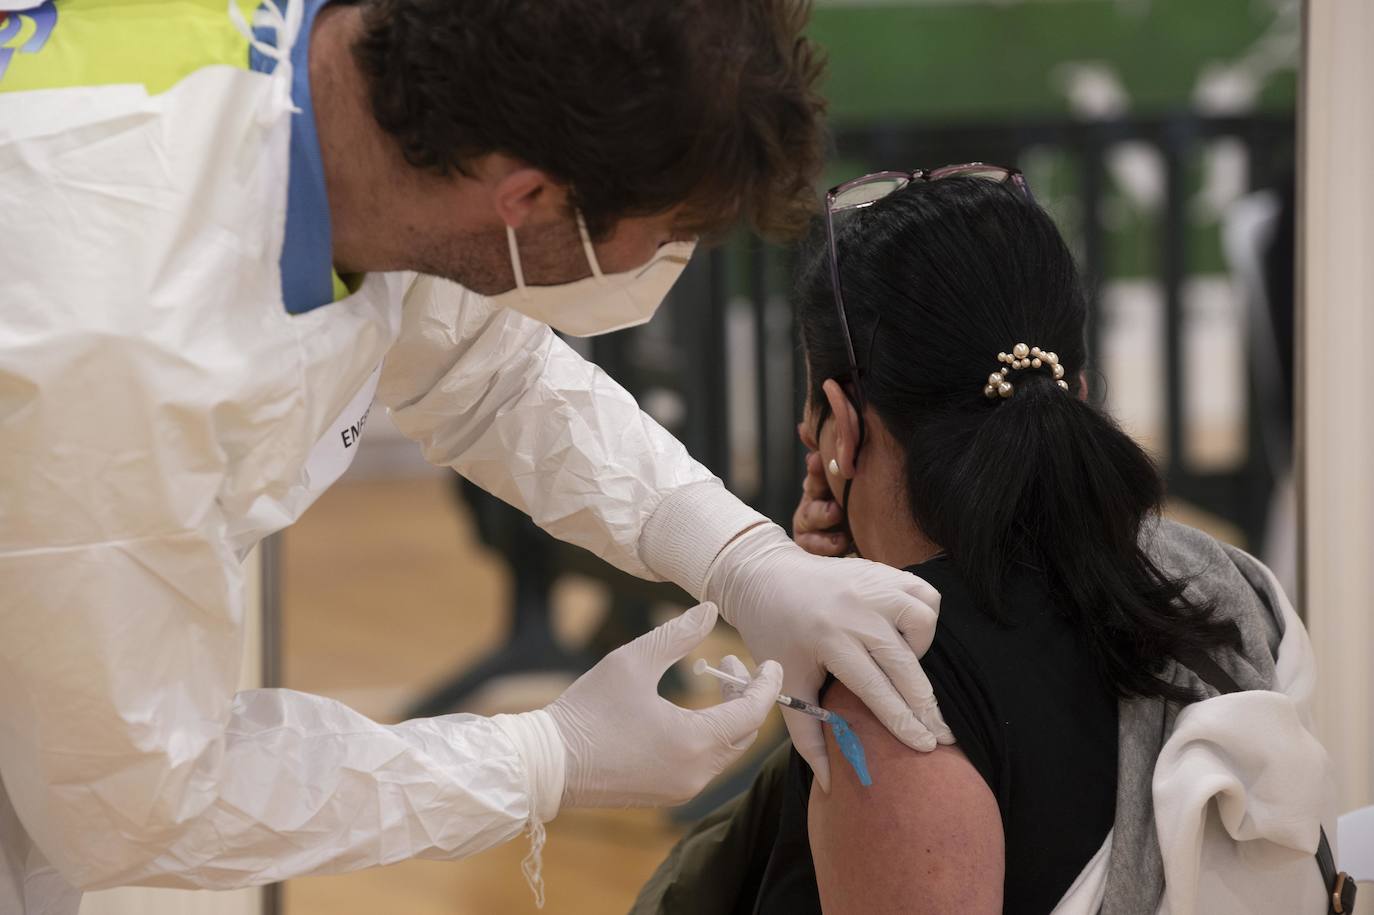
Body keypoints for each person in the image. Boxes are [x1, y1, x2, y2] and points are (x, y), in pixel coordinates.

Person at [0, 2, 953, 912]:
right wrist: (545, 759)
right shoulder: (114, 346)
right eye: (669, 233)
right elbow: (136, 797)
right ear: (527, 195)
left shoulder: (340, 86)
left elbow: (479, 365)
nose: (671, 260)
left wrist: (739, 557)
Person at [632, 171, 1336, 914]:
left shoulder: (897, 700)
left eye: (815, 414)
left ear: (837, 423)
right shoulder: (1223, 583)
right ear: (1080, 391)